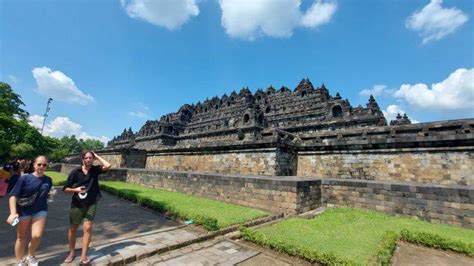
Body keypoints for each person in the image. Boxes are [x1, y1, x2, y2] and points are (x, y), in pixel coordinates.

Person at [63, 151, 111, 264]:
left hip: (91, 202)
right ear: (82, 159)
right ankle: (71, 252)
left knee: (88, 228)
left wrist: (97, 156)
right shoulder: (76, 172)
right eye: (86, 158)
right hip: (77, 203)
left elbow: (108, 166)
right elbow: (65, 188)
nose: (89, 160)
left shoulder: (95, 170)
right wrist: (76, 190)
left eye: (91, 158)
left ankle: (84, 255)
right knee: (73, 228)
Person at [6, 156, 53, 266]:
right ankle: (19, 260)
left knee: (37, 236)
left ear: (46, 166)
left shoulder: (48, 180)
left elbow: (46, 193)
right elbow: (13, 195)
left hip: (40, 210)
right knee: (21, 237)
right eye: (39, 164)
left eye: (44, 165)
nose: (41, 166)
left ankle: (30, 256)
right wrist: (13, 213)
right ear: (34, 165)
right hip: (24, 211)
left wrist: (49, 195)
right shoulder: (25, 178)